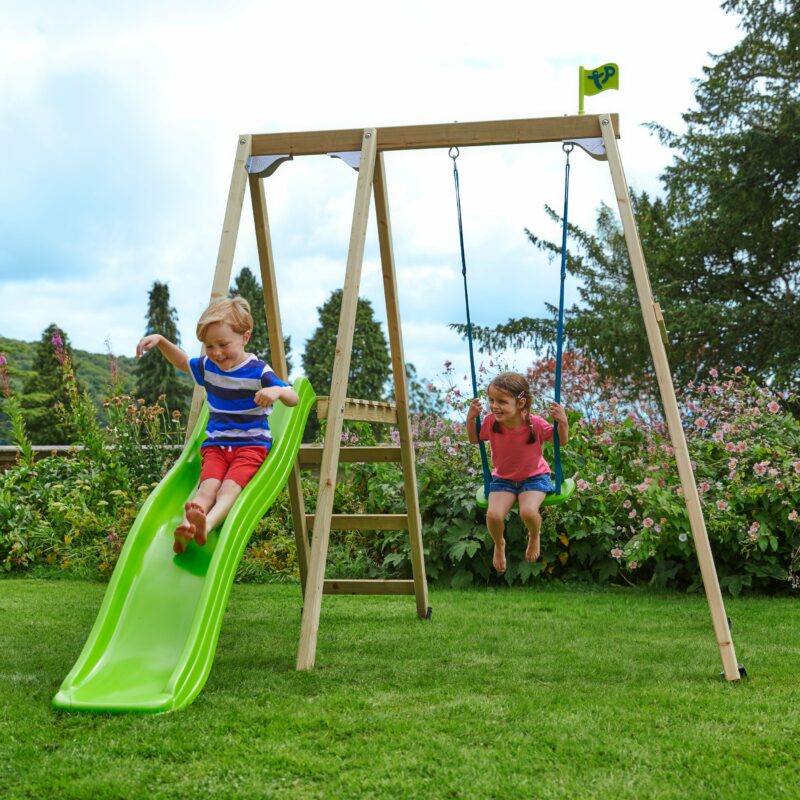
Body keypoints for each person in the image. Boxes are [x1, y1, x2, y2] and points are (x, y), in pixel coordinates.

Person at [136, 296, 299, 554]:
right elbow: (181, 362)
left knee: (229, 488)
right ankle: (188, 527)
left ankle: (207, 524)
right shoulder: (208, 367)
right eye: (209, 346)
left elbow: (294, 397)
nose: (216, 352)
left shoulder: (258, 371)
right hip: (216, 446)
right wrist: (161, 340)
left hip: (250, 446)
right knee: (206, 489)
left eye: (223, 344)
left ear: (245, 337)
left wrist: (276, 392)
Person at [466, 371, 569, 573]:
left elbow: (561, 441)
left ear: (520, 403)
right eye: (491, 400)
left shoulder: (536, 423)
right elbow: (474, 439)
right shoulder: (490, 422)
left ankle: (534, 535)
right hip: (503, 480)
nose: (494, 406)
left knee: (528, 512)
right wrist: (471, 419)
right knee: (493, 516)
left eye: (502, 401)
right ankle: (499, 544)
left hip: (534, 478)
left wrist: (563, 422)